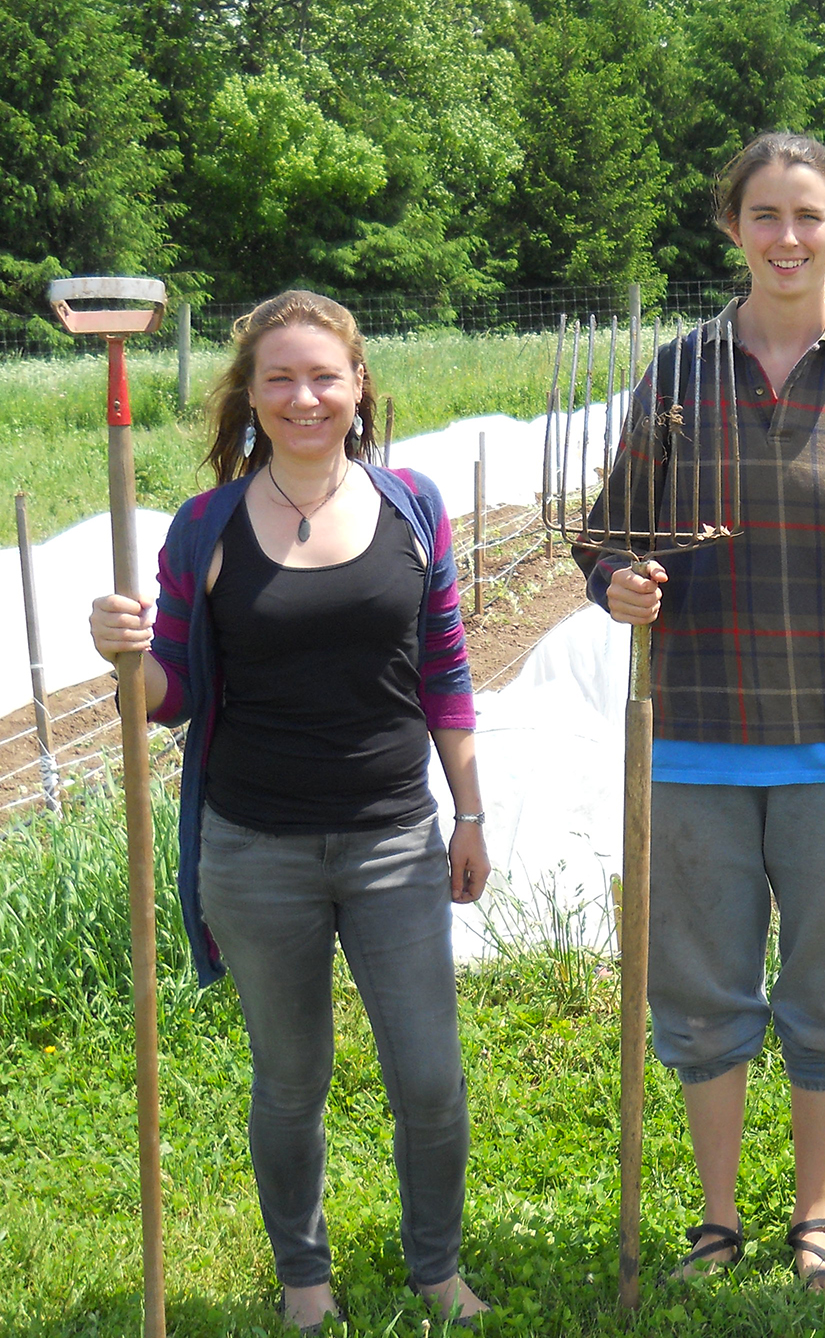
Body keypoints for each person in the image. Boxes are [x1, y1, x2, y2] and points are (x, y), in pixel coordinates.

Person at [575, 131, 825, 1296]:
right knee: (700, 989)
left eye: (808, 214)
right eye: (763, 216)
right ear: (731, 229)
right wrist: (615, 582)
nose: (786, 237)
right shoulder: (679, 374)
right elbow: (606, 529)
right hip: (693, 734)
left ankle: (811, 1218)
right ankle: (715, 1220)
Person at [87, 290, 493, 1333]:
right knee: (290, 1081)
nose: (304, 396)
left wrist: (470, 812)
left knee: (432, 1080)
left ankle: (436, 1270)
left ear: (358, 384)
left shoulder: (412, 505)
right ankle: (303, 1281)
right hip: (253, 846)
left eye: (324, 375)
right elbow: (170, 699)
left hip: (396, 839)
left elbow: (444, 670)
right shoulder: (206, 527)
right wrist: (122, 660)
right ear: (251, 395)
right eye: (280, 377)